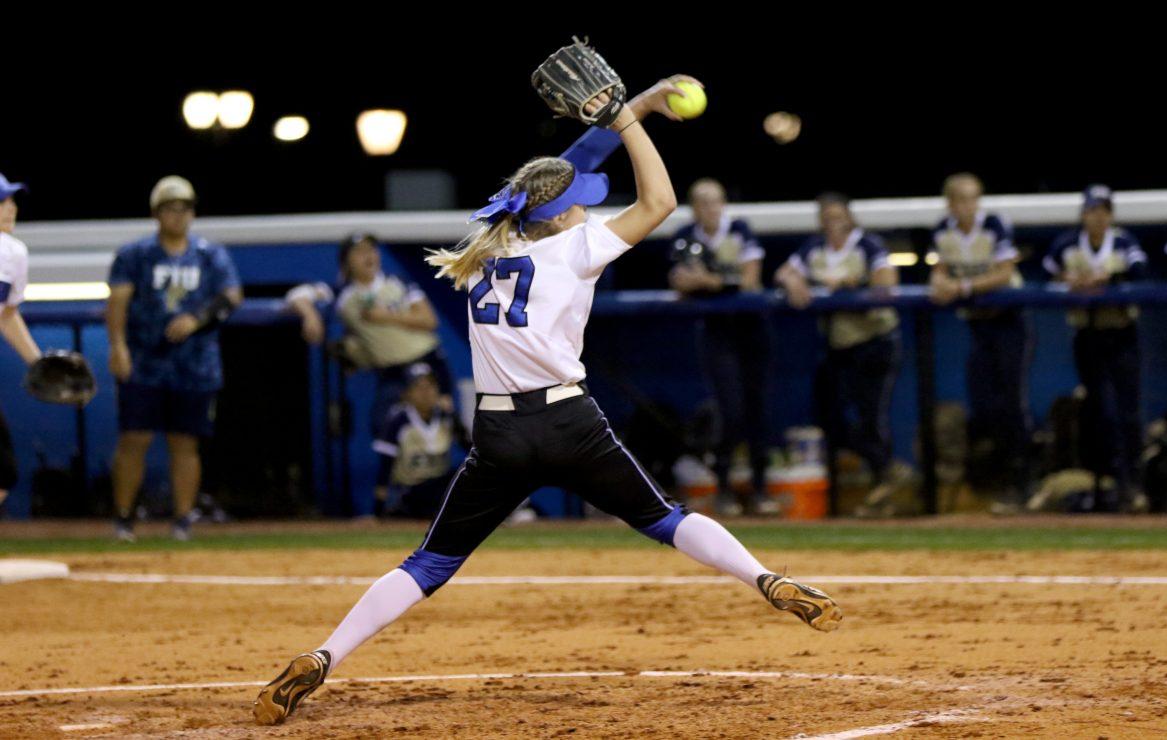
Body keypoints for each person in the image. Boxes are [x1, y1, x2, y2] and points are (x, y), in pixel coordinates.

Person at [253, 74, 842, 726]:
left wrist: (636, 104)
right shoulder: (576, 248)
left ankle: (326, 653)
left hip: (499, 433)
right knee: (667, 520)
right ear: (559, 216)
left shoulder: (488, 244)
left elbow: (550, 180)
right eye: (578, 204)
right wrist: (627, 122)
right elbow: (661, 197)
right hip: (569, 422)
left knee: (428, 564)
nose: (585, 208)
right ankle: (765, 578)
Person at [106, 176, 242, 542]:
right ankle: (123, 518)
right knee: (133, 438)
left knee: (185, 443)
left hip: (195, 365)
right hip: (144, 361)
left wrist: (196, 318)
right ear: (156, 213)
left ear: (193, 213)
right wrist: (117, 346)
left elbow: (232, 294)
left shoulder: (210, 255)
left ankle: (182, 520)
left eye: (184, 208)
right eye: (170, 208)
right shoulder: (135, 254)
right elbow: (117, 302)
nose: (178, 216)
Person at [774, 192, 901, 507]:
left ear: (850, 217)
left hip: (875, 340)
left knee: (873, 415)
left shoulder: (867, 244)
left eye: (839, 217)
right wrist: (792, 282)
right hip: (839, 346)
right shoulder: (814, 247)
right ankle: (887, 471)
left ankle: (885, 480)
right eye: (827, 218)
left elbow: (887, 279)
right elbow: (783, 272)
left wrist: (852, 281)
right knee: (829, 416)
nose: (833, 224)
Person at [668, 178, 777, 516]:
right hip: (717, 332)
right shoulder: (686, 236)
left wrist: (709, 281)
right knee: (729, 410)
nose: (710, 208)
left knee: (757, 409)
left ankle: (760, 489)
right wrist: (714, 282)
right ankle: (726, 488)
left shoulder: (740, 229)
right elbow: (679, 282)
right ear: (694, 207)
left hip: (751, 328)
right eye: (703, 203)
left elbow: (750, 280)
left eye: (715, 201)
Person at [927, 173, 1032, 509]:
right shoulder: (943, 229)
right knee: (985, 407)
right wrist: (939, 282)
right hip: (978, 327)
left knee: (1013, 406)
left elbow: (1004, 272)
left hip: (1010, 322)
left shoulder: (995, 224)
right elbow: (938, 271)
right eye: (960, 199)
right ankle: (996, 484)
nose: (967, 205)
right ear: (950, 202)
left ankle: (1022, 485)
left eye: (972, 198)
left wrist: (962, 288)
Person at [1043, 185, 1148, 512]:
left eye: (1103, 210)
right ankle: (1100, 486)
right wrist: (1069, 279)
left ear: (1110, 215)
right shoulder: (1068, 243)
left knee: (1127, 412)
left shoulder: (1124, 241)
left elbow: (1140, 270)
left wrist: (1106, 277)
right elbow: (1047, 272)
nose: (1097, 216)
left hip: (1121, 333)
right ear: (1084, 214)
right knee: (1096, 412)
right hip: (1086, 335)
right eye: (1092, 210)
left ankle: (1133, 485)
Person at [286, 232, 451, 432]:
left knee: (444, 424)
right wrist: (311, 316)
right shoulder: (343, 293)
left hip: (428, 362)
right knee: (383, 427)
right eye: (360, 252)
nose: (369, 256)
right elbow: (297, 295)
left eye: (372, 250)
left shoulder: (397, 282)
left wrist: (386, 316)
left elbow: (429, 320)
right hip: (391, 372)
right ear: (346, 262)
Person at [0, 173, 42, 509]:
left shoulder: (13, 253)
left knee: (3, 472)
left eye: (11, 200)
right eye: (1, 201)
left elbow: (7, 315)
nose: (10, 208)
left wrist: (38, 362)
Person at [371, 362, 462, 518]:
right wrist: (378, 509)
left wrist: (455, 419)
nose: (426, 393)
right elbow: (385, 467)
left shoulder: (446, 417)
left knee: (462, 475)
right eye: (419, 387)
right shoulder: (399, 419)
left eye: (431, 386)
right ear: (407, 393)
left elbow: (472, 448)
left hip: (440, 489)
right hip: (410, 491)